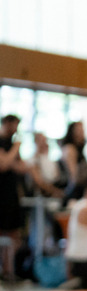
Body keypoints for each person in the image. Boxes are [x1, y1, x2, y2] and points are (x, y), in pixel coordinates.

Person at [0, 115, 26, 281]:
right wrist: (16, 148)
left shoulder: (10, 145)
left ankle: (9, 272)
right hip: (1, 195)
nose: (15, 128)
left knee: (13, 235)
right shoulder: (4, 142)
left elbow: (22, 167)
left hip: (12, 195)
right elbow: (3, 165)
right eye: (13, 124)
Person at [58, 121, 87, 202]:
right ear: (73, 132)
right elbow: (73, 177)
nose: (83, 133)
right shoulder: (70, 149)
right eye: (80, 130)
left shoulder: (78, 149)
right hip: (72, 192)